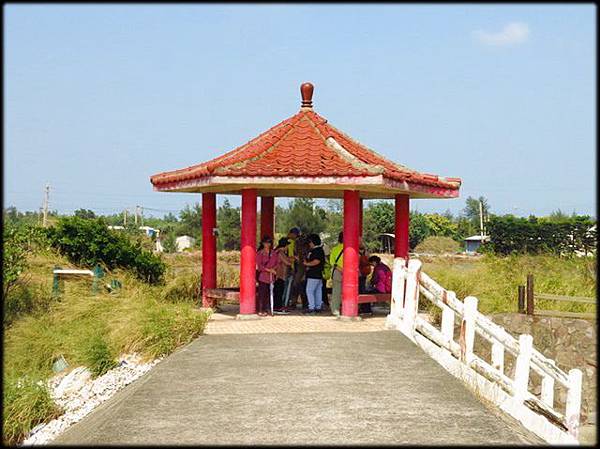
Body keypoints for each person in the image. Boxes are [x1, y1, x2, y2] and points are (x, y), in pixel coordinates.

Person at [256, 235, 278, 317]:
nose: (267, 244)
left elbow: (277, 263)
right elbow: (259, 266)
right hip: (263, 276)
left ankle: (268, 309)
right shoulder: (260, 253)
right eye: (266, 242)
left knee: (270, 294)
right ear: (262, 243)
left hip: (271, 277)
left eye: (269, 242)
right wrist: (269, 270)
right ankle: (261, 310)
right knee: (262, 294)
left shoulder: (274, 253)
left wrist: (273, 269)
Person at [303, 233, 325, 314]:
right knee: (317, 291)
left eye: (309, 242)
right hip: (317, 274)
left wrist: (307, 264)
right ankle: (317, 307)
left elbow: (316, 261)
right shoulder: (317, 250)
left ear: (312, 242)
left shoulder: (317, 250)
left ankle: (311, 307)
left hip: (314, 274)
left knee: (309, 290)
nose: (309, 244)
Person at [273, 237, 292, 314]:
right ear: (285, 245)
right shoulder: (280, 253)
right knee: (279, 291)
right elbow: (288, 262)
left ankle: (278, 306)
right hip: (279, 275)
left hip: (279, 275)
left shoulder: (278, 252)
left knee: (279, 291)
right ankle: (277, 307)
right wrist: (292, 260)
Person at [282, 227, 300, 310]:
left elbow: (290, 255)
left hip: (290, 267)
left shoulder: (290, 242)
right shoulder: (294, 242)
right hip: (295, 267)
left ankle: (287, 303)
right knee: (292, 286)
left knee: (289, 286)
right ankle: (291, 302)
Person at [328, 232, 344, 316]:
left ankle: (335, 310)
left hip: (337, 272)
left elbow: (332, 262)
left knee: (336, 292)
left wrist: (341, 270)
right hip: (349, 272)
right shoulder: (352, 248)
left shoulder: (334, 249)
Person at [358, 240, 373, 315]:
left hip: (359, 274)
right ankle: (366, 309)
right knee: (363, 290)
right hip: (365, 273)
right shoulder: (366, 252)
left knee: (361, 291)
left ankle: (364, 309)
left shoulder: (356, 253)